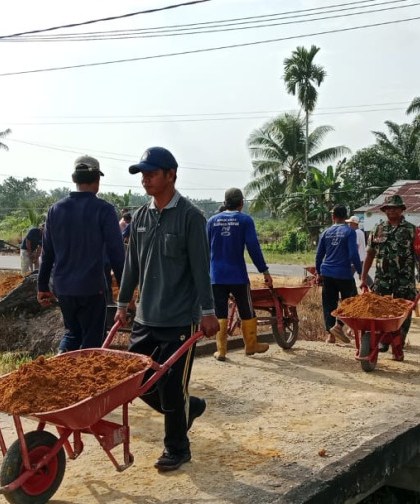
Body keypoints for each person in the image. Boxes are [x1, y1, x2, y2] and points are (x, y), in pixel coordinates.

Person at [115, 146, 217, 472]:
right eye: (142, 174)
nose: (145, 179)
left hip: (179, 319)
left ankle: (177, 448)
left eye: (152, 173)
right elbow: (131, 264)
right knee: (136, 382)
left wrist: (208, 311)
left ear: (171, 175)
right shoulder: (141, 218)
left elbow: (202, 268)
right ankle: (189, 409)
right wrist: (123, 302)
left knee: (172, 387)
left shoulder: (190, 217)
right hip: (146, 316)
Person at [37, 156, 125, 352]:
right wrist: (125, 297)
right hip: (92, 288)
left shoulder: (55, 209)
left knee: (72, 333)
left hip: (64, 289)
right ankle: (80, 379)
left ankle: (60, 370)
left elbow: (47, 253)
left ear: (75, 179)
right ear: (97, 180)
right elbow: (118, 256)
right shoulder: (104, 209)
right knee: (92, 341)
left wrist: (42, 286)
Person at [360, 195, 420, 361]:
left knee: (403, 314)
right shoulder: (377, 229)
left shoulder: (412, 230)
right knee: (379, 312)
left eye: (395, 208)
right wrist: (363, 277)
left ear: (401, 210)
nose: (391, 210)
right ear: (384, 211)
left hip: (404, 280)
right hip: (382, 280)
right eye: (388, 208)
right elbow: (370, 254)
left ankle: (399, 342)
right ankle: (383, 340)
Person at [207, 187, 272, 361]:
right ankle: (250, 345)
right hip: (238, 276)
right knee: (246, 310)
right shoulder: (245, 221)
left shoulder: (212, 221)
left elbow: (205, 250)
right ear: (241, 204)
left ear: (224, 203)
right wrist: (264, 271)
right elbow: (253, 248)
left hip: (216, 276)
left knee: (220, 312)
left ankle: (221, 350)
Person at [316, 206, 362, 344]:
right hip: (344, 273)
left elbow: (319, 255)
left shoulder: (325, 232)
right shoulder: (349, 231)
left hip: (327, 273)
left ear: (333, 217)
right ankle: (339, 325)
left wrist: (319, 273)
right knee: (352, 301)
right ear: (346, 217)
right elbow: (353, 254)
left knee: (329, 303)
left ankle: (330, 336)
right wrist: (360, 271)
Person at [347, 215, 370, 288]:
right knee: (363, 276)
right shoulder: (361, 232)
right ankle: (372, 289)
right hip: (362, 257)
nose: (349, 224)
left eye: (350, 223)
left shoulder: (355, 233)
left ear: (354, 223)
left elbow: (355, 246)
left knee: (347, 275)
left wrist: (351, 258)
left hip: (357, 258)